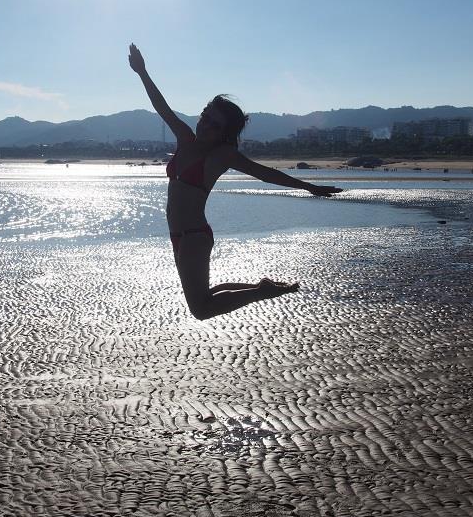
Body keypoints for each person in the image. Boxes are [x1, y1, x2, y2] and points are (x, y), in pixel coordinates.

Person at [128, 43, 342, 320]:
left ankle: (261, 292)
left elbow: (266, 173)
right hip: (177, 235)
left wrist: (308, 186)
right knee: (206, 296)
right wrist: (142, 72)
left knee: (201, 310)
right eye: (205, 117)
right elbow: (163, 108)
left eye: (214, 125)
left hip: (194, 236)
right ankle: (261, 288)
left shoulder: (221, 155)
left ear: (224, 133)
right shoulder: (184, 138)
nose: (205, 125)